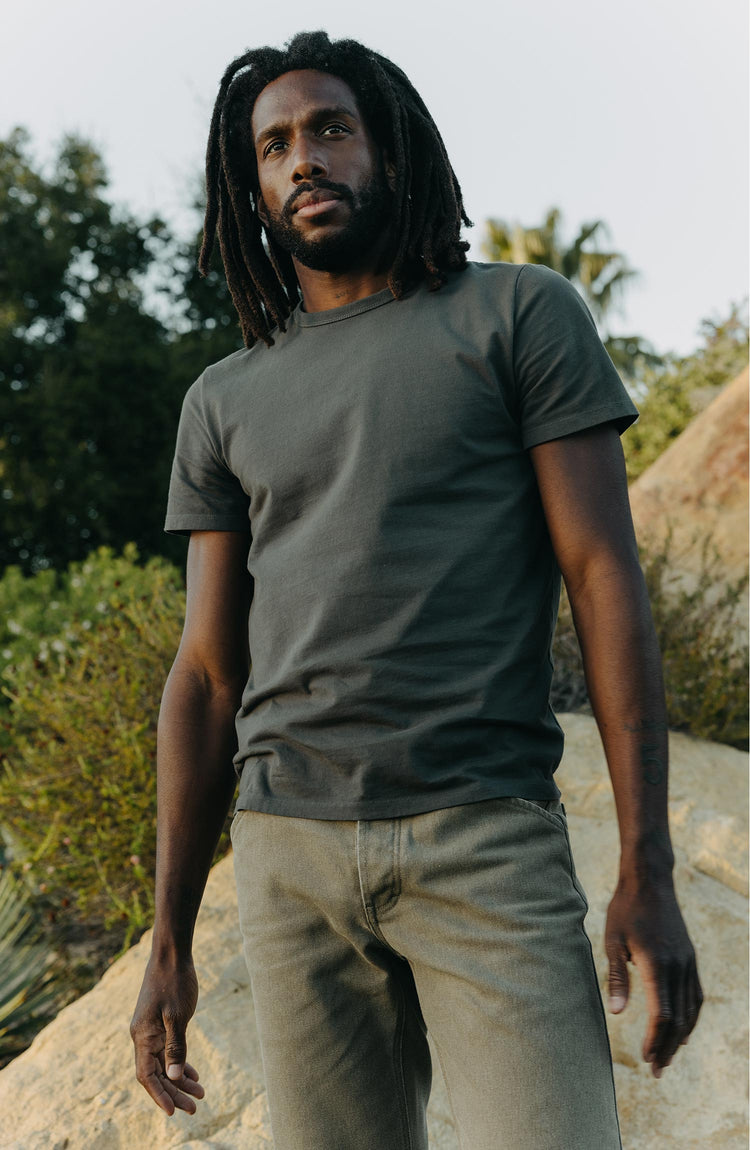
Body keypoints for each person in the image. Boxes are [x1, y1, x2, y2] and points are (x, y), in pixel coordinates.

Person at [130, 30, 702, 1150]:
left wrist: (648, 865)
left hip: (480, 835)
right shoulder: (224, 399)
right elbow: (205, 673)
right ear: (246, 183)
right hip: (289, 858)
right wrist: (167, 939)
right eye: (274, 144)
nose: (304, 159)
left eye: (331, 128)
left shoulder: (518, 317)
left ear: (389, 147)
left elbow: (602, 575)